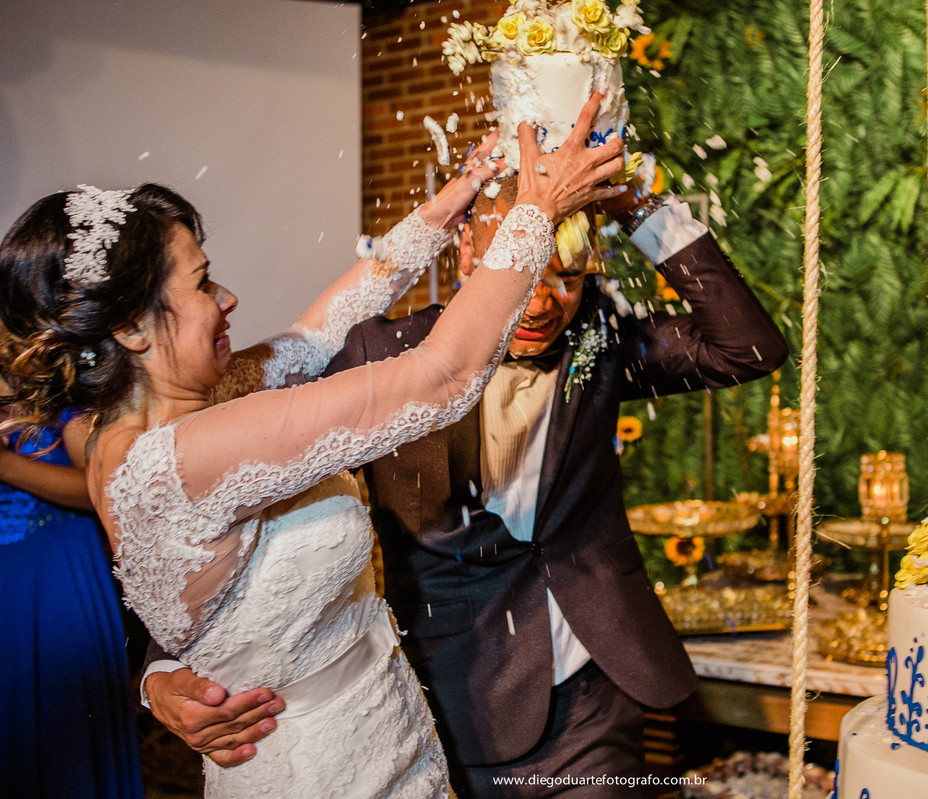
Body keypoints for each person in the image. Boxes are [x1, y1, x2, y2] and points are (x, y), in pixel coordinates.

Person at [0, 93, 626, 798]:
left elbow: (316, 333)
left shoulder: (129, 429)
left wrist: (445, 207)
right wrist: (535, 214)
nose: (229, 297)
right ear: (130, 329)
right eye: (203, 282)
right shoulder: (188, 455)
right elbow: (441, 376)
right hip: (322, 770)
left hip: (379, 730)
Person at [145, 167, 790, 795]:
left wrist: (637, 207)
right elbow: (213, 499)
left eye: (565, 277)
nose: (539, 302)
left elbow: (749, 346)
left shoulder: (600, 338)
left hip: (597, 688)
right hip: (452, 696)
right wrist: (160, 668)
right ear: (465, 255)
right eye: (523, 272)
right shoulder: (382, 354)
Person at [0, 407, 143, 798]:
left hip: (57, 577)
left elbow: (101, 487)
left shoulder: (56, 386)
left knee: (66, 732)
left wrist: (7, 466)